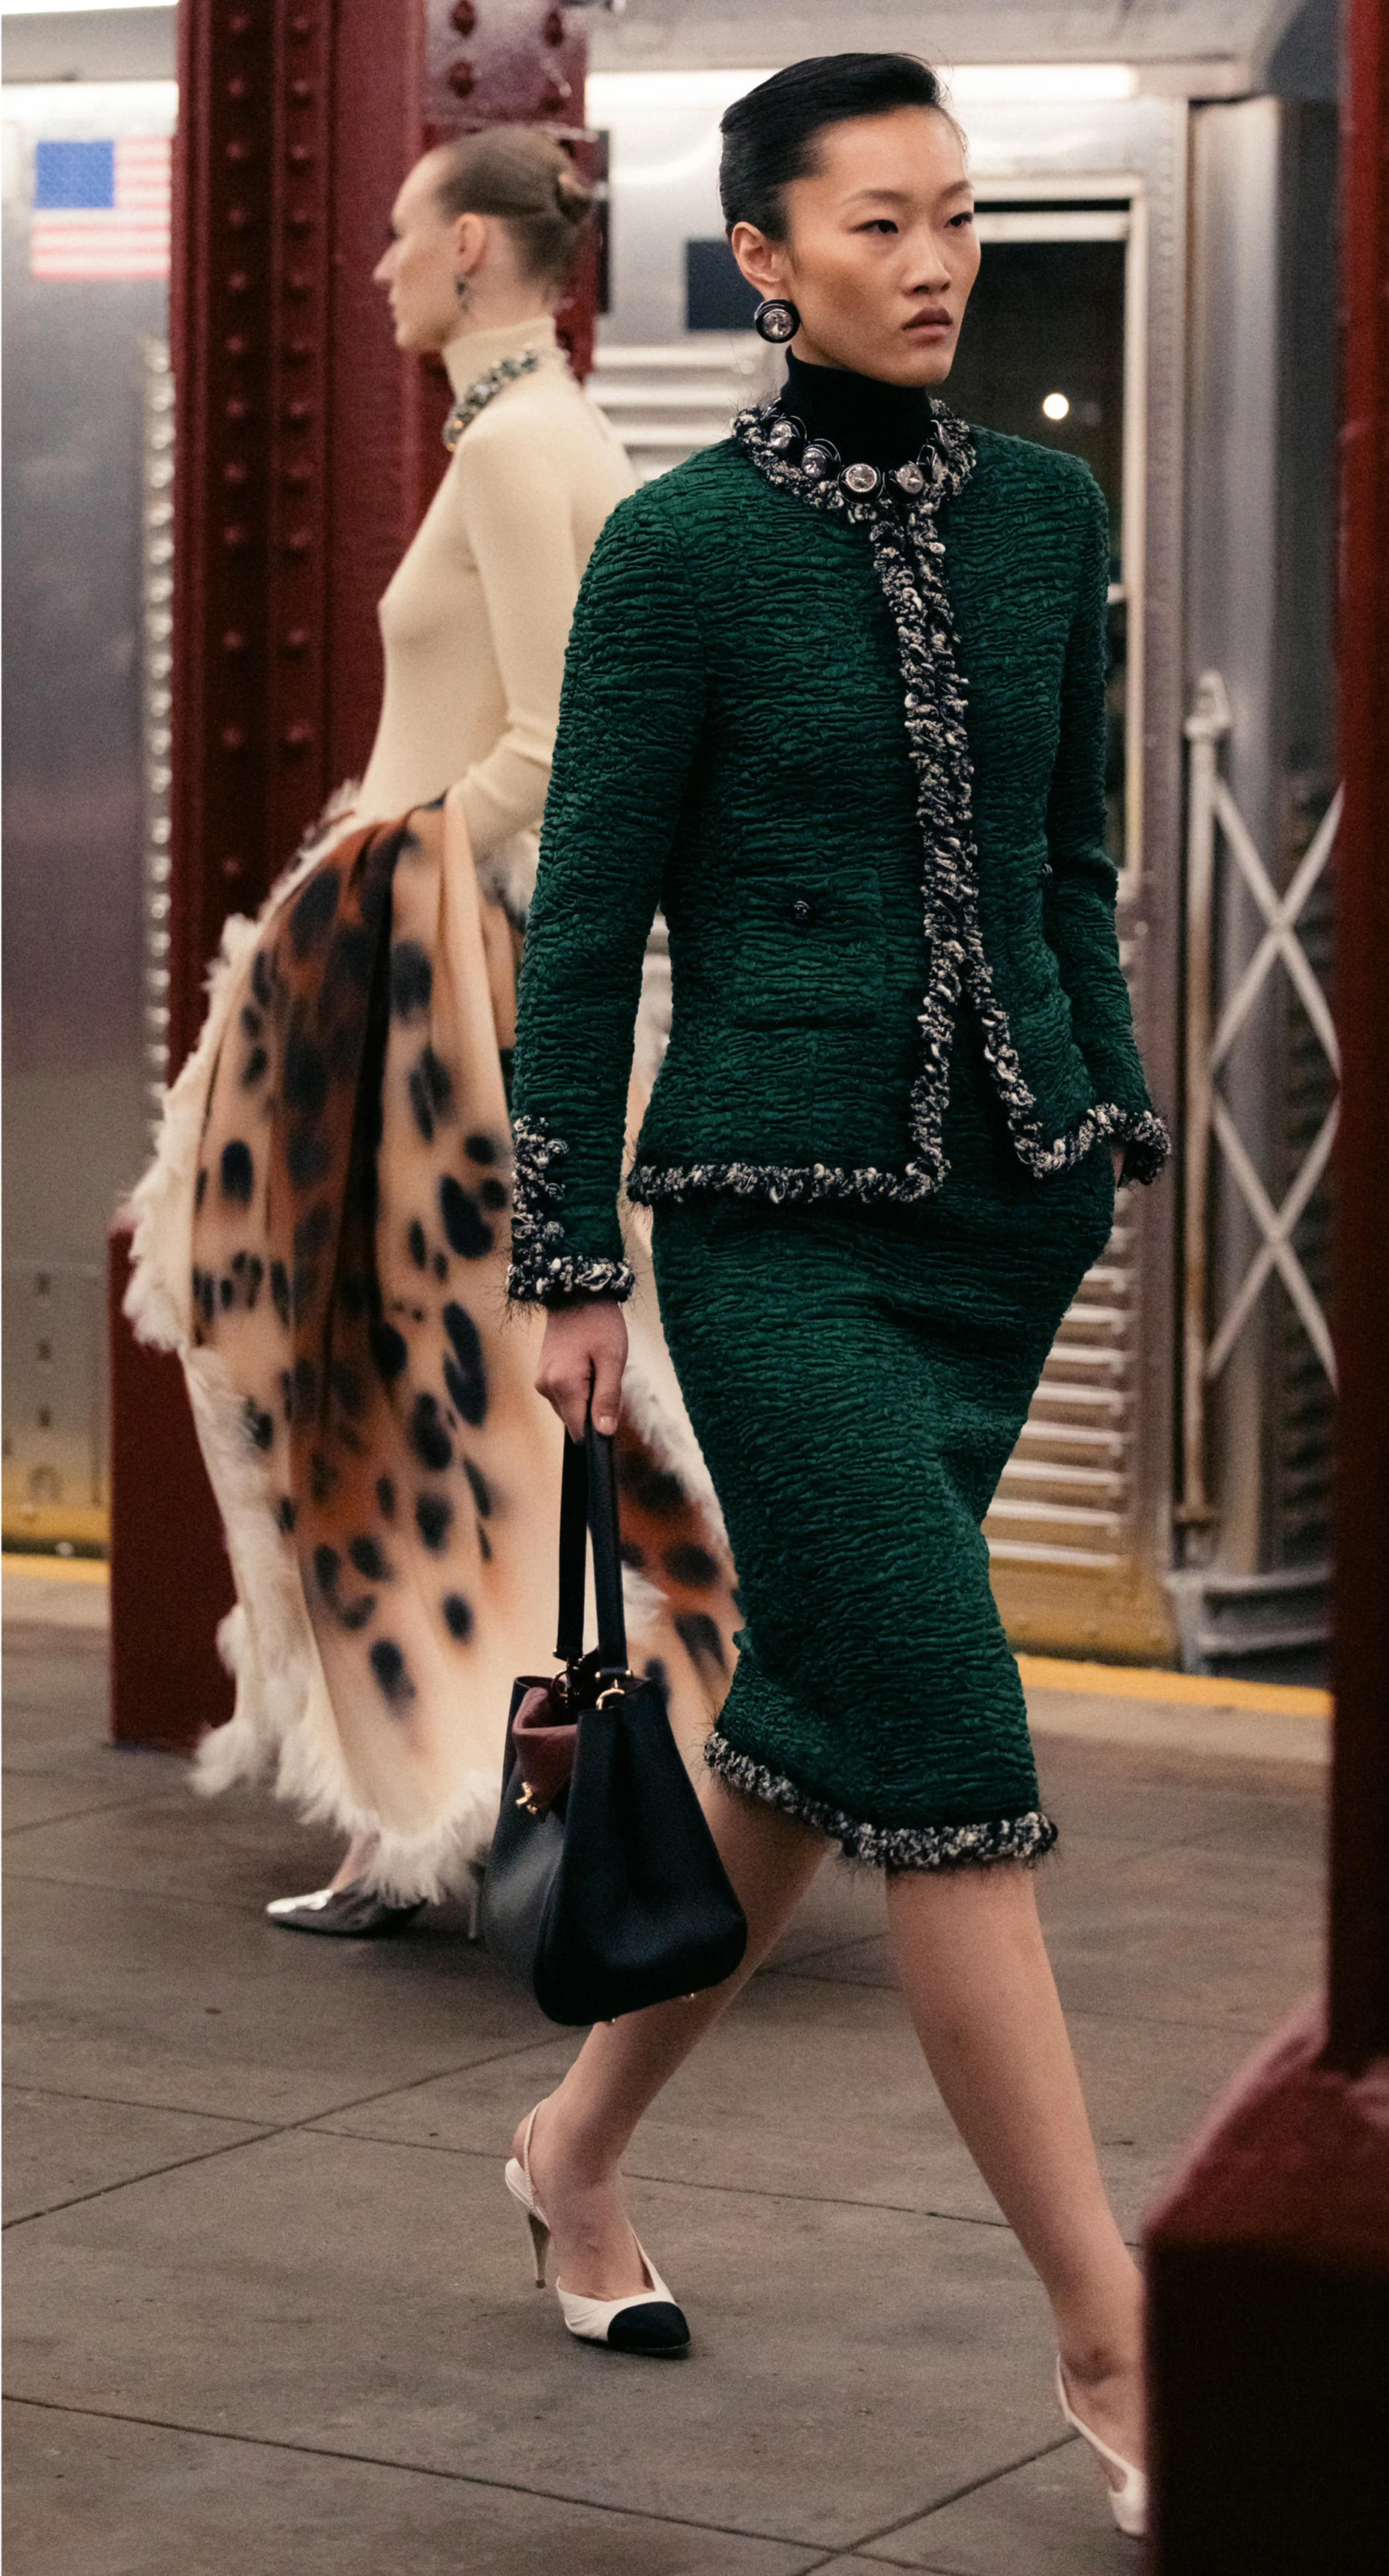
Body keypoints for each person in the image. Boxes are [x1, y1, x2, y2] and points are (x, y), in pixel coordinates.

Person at [502, 55, 1169, 2541]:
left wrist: (1101, 1114)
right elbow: (586, 930)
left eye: (957, 215)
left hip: (1003, 1228)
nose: (936, 260)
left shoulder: (1049, 519)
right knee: (954, 1749)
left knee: (813, 1730)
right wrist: (568, 1258)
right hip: (772, 1234)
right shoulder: (675, 553)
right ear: (762, 261)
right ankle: (1110, 2335)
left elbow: (1070, 856)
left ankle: (572, 2151)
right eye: (878, 221)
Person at [125, 126, 736, 1933]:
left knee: (413, 1380)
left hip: (430, 976)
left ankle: (461, 1800)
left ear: (473, 247)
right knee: (431, 1381)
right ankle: (439, 1805)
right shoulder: (533, 433)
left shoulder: (526, 444)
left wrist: (365, 876)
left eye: (400, 236)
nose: (377, 265)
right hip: (439, 962)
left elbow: (556, 740)